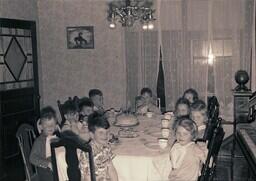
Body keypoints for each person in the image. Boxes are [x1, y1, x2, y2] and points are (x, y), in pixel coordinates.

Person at [79, 113, 118, 181]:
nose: (105, 135)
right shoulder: (87, 153)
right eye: (101, 133)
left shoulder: (106, 148)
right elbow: (87, 178)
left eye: (107, 132)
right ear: (92, 135)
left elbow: (111, 169)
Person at [29, 106, 58, 181]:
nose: (50, 127)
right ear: (41, 126)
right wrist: (47, 163)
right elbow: (32, 158)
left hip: (57, 167)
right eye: (46, 125)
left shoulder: (57, 139)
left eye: (52, 124)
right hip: (45, 171)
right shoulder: (39, 141)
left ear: (56, 126)